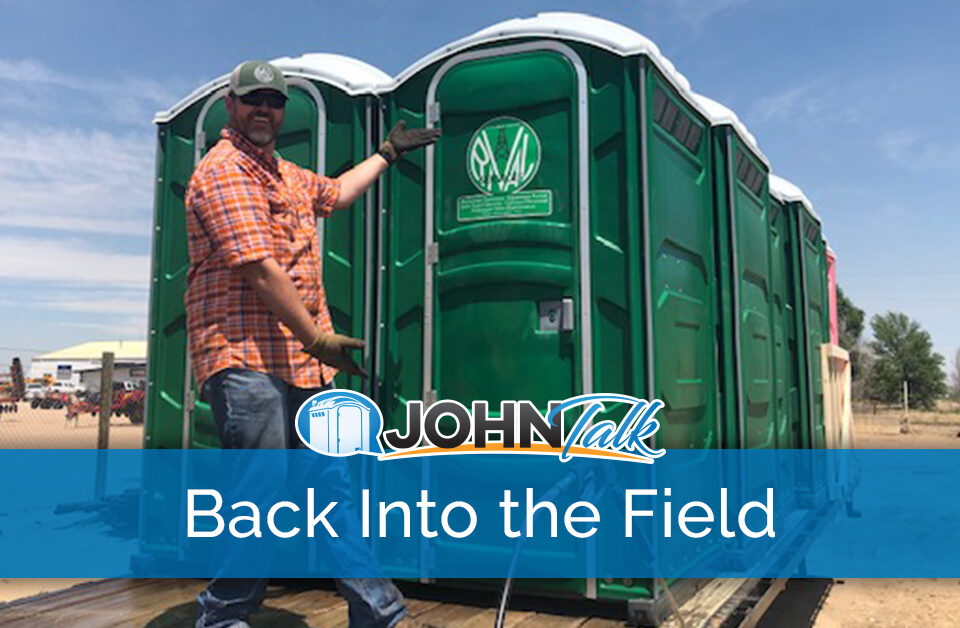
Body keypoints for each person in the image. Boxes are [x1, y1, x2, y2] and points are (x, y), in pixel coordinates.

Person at [184, 60, 440, 628]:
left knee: (330, 489)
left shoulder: (284, 174)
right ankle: (222, 615)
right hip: (246, 359)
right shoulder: (224, 170)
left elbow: (338, 193)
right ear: (231, 105)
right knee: (260, 491)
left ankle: (379, 614)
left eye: (274, 101)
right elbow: (259, 268)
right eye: (253, 99)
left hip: (301, 365)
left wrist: (387, 153)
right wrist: (318, 337)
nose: (263, 110)